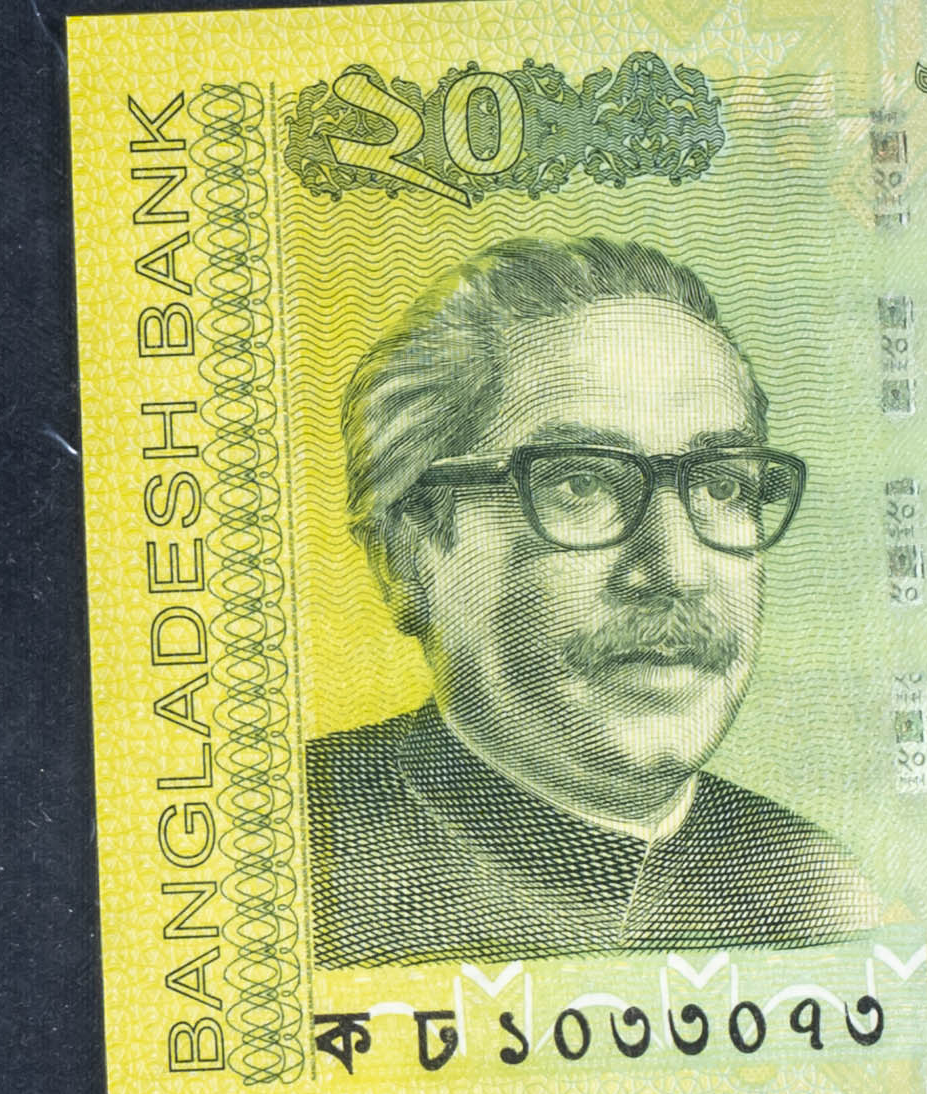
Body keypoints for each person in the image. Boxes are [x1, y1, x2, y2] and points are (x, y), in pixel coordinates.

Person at [307, 233, 880, 966]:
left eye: (720, 484)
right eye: (580, 483)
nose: (676, 568)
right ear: (407, 556)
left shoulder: (810, 884)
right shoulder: (289, 848)